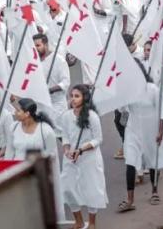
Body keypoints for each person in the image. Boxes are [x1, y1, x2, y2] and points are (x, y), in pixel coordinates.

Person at [118, 63, 163, 212]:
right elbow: (121, 109)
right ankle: (130, 200)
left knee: (152, 160)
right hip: (133, 129)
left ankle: (154, 191)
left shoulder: (153, 90)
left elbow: (162, 111)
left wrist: (160, 131)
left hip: (151, 129)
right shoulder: (128, 92)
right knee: (130, 161)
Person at [59, 85, 107, 229]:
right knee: (68, 188)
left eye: (77, 96)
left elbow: (98, 139)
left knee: (91, 189)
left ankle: (92, 222)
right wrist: (67, 149)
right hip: (71, 158)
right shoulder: (66, 116)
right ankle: (78, 220)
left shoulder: (92, 116)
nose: (73, 99)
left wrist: (81, 149)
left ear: (84, 98)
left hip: (89, 159)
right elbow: (65, 135)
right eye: (71, 96)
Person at [35, 33, 70, 123]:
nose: (35, 48)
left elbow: (66, 82)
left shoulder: (58, 60)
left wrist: (50, 90)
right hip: (41, 105)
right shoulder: (34, 61)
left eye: (38, 45)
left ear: (46, 45)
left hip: (57, 106)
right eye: (34, 46)